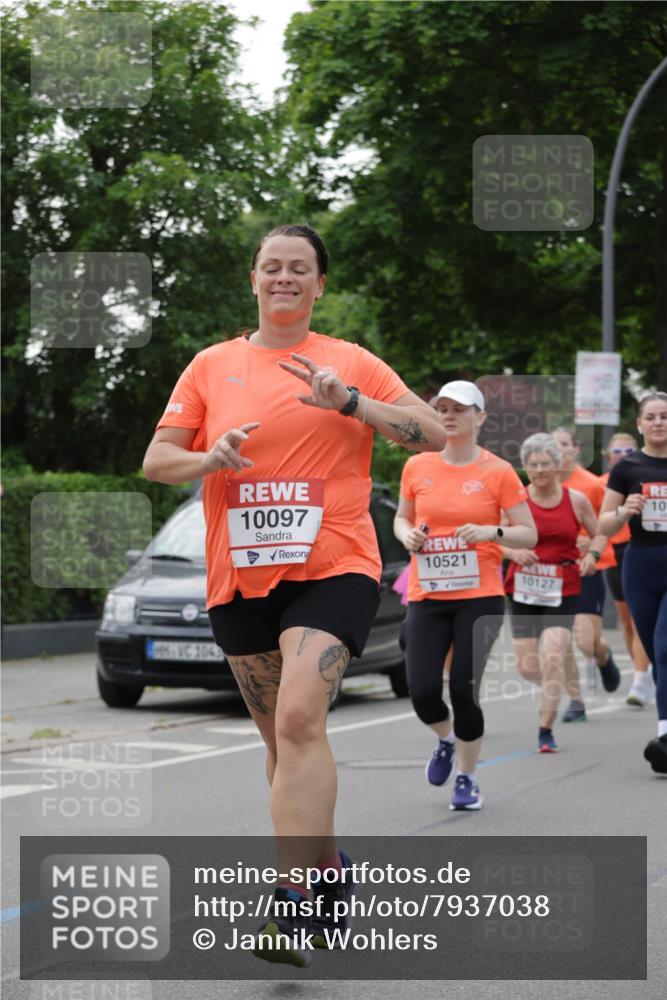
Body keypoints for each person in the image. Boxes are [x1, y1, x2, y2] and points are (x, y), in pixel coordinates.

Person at [142, 224, 447, 966]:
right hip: (239, 577)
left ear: (318, 285)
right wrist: (206, 457)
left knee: (302, 717)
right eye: (271, 266)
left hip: (334, 566)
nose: (284, 277)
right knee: (283, 745)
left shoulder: (349, 362)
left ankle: (291, 901)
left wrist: (351, 406)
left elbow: (432, 432)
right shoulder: (212, 366)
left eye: (299, 269)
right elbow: (156, 461)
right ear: (253, 278)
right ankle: (328, 868)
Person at [393, 381, 537, 811]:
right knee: (421, 692)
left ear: (480, 418)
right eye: (443, 408)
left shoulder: (498, 472)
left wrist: (490, 532)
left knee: (463, 688)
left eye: (460, 409)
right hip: (428, 594)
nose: (450, 415)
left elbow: (528, 531)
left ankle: (468, 779)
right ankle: (445, 740)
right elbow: (402, 519)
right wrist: (408, 539)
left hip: (480, 595)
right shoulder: (418, 466)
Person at [504, 433, 609, 752]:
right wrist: (512, 553)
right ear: (524, 467)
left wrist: (591, 555)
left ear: (558, 465)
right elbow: (494, 537)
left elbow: (601, 531)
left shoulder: (575, 499)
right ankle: (558, 686)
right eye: (533, 464)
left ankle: (545, 729)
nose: (539, 470)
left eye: (546, 464)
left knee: (552, 656)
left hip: (562, 588)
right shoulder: (515, 500)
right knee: (528, 667)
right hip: (522, 588)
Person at [598, 391, 667, 774]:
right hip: (640, 566)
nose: (658, 422)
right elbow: (603, 523)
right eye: (651, 417)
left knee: (664, 645)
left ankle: (665, 733)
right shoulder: (628, 468)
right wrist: (624, 511)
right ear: (640, 424)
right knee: (659, 656)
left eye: (664, 416)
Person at [552, 427, 621, 722]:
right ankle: (576, 701)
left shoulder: (591, 486)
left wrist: (590, 545)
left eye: (565, 445)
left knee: (586, 642)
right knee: (562, 639)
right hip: (552, 573)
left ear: (576, 450)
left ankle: (603, 657)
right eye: (553, 446)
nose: (559, 451)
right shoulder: (541, 485)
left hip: (585, 570)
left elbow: (607, 529)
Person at [600, 433, 652, 706]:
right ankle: (642, 670)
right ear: (608, 455)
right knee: (627, 621)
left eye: (627, 449)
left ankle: (640, 679)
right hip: (615, 555)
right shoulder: (604, 482)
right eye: (616, 450)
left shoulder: (647, 472)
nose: (622, 453)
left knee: (639, 621)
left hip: (643, 547)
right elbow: (596, 521)